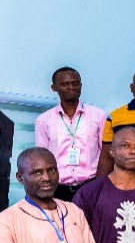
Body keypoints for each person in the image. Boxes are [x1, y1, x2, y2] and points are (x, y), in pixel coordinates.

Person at [35, 67, 106, 201]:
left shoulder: (98, 116)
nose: (71, 87)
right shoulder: (43, 121)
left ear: (81, 85)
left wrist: (101, 186)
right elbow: (42, 158)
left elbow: (106, 154)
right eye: (65, 84)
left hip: (90, 187)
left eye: (75, 83)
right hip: (58, 189)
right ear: (54, 87)